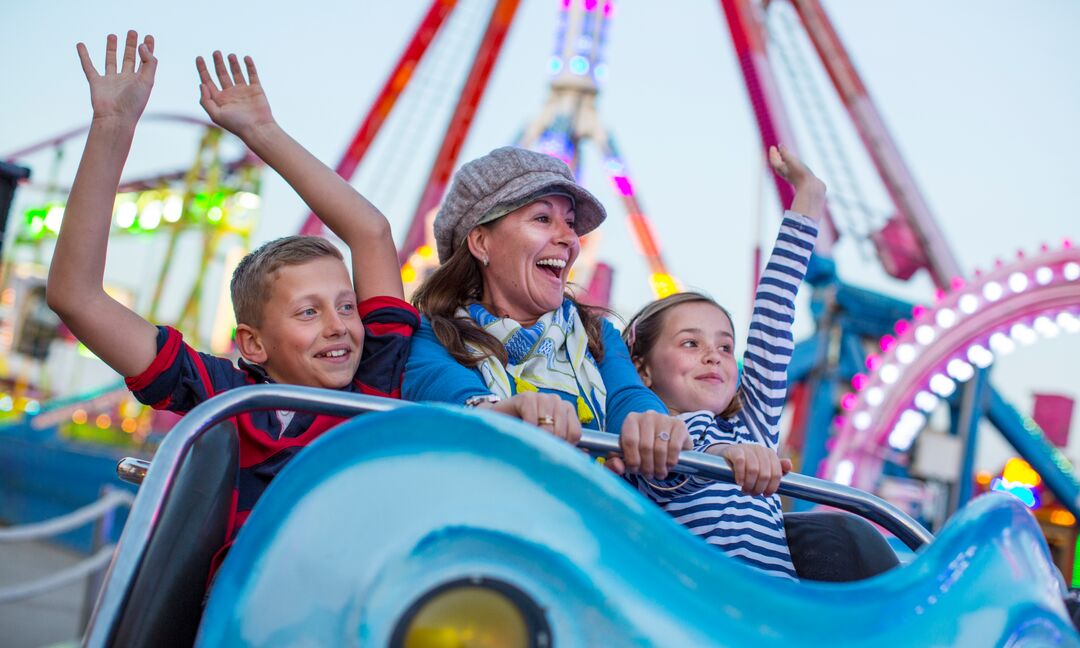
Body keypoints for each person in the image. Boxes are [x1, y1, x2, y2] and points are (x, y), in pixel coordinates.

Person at [46, 32, 418, 569]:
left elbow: (371, 233)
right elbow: (76, 297)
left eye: (346, 306)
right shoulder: (225, 396)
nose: (339, 325)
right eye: (309, 312)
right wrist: (112, 126)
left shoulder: (375, 380)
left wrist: (261, 131)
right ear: (253, 343)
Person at [403, 146, 689, 479]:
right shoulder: (430, 335)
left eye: (570, 224)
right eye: (543, 218)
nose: (570, 238)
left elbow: (627, 396)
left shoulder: (597, 334)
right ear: (481, 242)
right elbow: (455, 397)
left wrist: (651, 421)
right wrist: (512, 412)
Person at [620, 145, 822, 579]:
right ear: (643, 369)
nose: (714, 355)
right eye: (690, 344)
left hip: (773, 612)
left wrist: (808, 197)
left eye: (726, 347)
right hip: (699, 608)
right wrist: (723, 454)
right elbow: (675, 465)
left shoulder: (754, 428)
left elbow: (774, 313)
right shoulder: (648, 432)